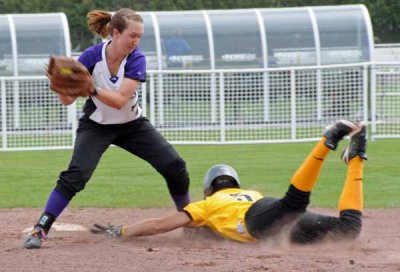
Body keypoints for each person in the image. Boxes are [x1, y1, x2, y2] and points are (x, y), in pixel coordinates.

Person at [24, 8, 191, 249]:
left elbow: (121, 99)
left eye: (139, 36)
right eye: (132, 35)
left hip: (133, 126)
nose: (136, 41)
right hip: (97, 126)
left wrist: (91, 89)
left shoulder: (136, 59)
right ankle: (40, 229)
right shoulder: (92, 56)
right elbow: (67, 101)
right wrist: (60, 85)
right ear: (115, 33)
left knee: (175, 166)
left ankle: (188, 220)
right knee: (76, 176)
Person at [91, 120, 367, 244]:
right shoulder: (248, 192)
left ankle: (327, 141)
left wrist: (122, 231)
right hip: (268, 215)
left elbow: (160, 225)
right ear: (234, 182)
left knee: (293, 205)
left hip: (259, 220)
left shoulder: (207, 204)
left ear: (209, 188)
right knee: (347, 230)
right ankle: (355, 159)